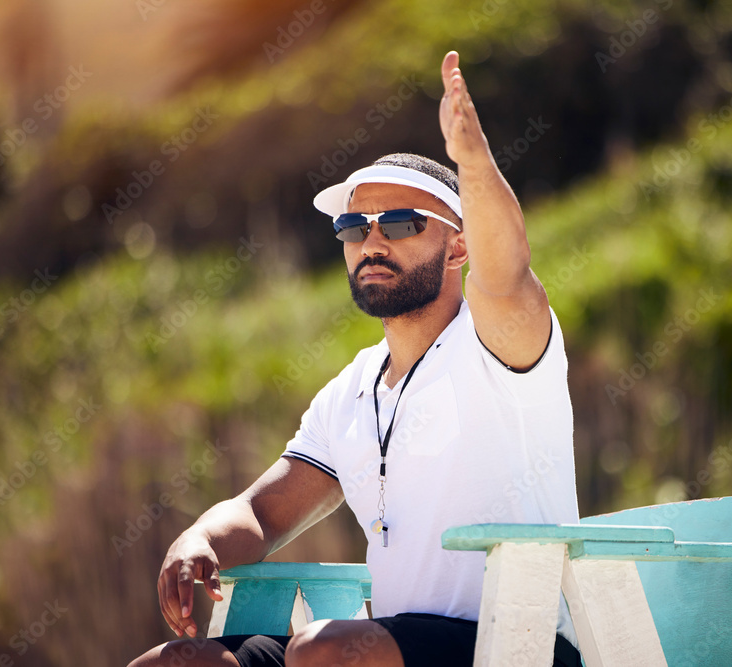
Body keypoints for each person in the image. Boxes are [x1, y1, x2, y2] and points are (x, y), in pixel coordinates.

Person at [128, 50, 580, 667]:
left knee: (327, 650)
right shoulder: (351, 390)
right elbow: (262, 514)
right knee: (174, 664)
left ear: (458, 246)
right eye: (354, 227)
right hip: (387, 646)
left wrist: (472, 165)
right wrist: (198, 536)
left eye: (398, 224)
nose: (370, 241)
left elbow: (508, 273)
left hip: (521, 648)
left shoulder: (499, 346)